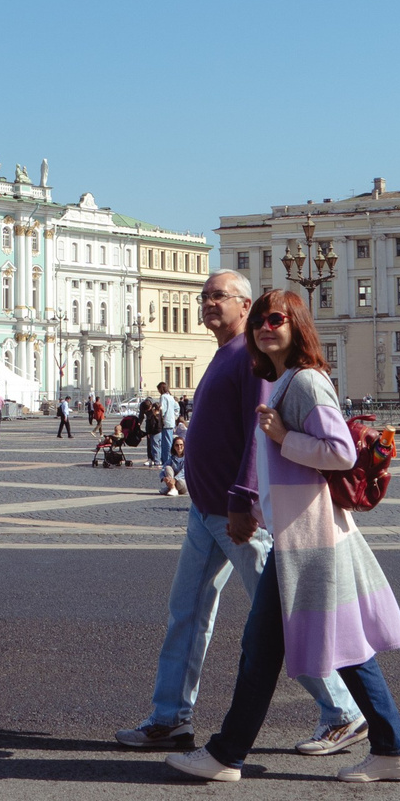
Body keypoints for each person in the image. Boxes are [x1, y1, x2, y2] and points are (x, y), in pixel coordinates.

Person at [116, 271, 368, 761]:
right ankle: (170, 717)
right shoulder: (225, 352)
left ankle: (343, 711)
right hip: (205, 508)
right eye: (204, 296)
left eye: (219, 297)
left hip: (234, 513)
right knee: (185, 615)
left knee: (284, 616)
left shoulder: (250, 359)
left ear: (245, 304)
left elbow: (258, 438)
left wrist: (242, 500)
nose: (209, 303)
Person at [170, 290, 400, 784]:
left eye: (275, 318)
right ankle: (390, 747)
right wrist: (258, 507)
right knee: (332, 648)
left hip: (310, 544)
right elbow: (286, 470)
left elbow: (340, 453)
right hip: (299, 539)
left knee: (269, 653)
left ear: (296, 324)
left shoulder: (304, 382)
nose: (264, 327)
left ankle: (225, 755)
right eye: (259, 320)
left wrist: (284, 437)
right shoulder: (283, 381)